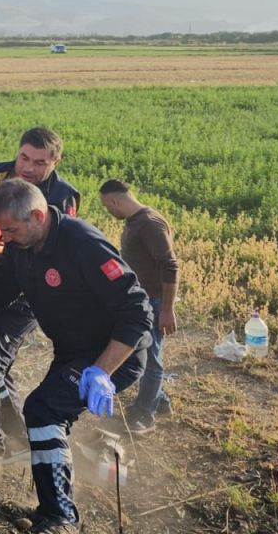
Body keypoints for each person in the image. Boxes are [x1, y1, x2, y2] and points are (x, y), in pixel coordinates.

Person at [0, 179, 151, 534]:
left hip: (114, 352)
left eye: (9, 229)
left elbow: (138, 312)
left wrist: (101, 371)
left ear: (36, 216)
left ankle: (62, 518)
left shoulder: (83, 243)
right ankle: (51, 510)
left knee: (43, 409)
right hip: (73, 353)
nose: (3, 237)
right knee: (44, 416)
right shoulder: (22, 246)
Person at [0, 127, 81, 461]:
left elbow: (55, 249)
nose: (27, 167)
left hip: (27, 293)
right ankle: (19, 437)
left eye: (39, 163)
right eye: (24, 157)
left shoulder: (63, 196)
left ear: (55, 162)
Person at [99, 178, 179, 434]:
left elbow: (170, 265)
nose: (108, 212)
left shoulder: (149, 224)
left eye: (106, 206)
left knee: (151, 359)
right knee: (141, 352)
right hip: (141, 299)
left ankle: (144, 414)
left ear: (114, 200)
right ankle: (161, 401)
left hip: (154, 301)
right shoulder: (137, 221)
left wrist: (166, 309)